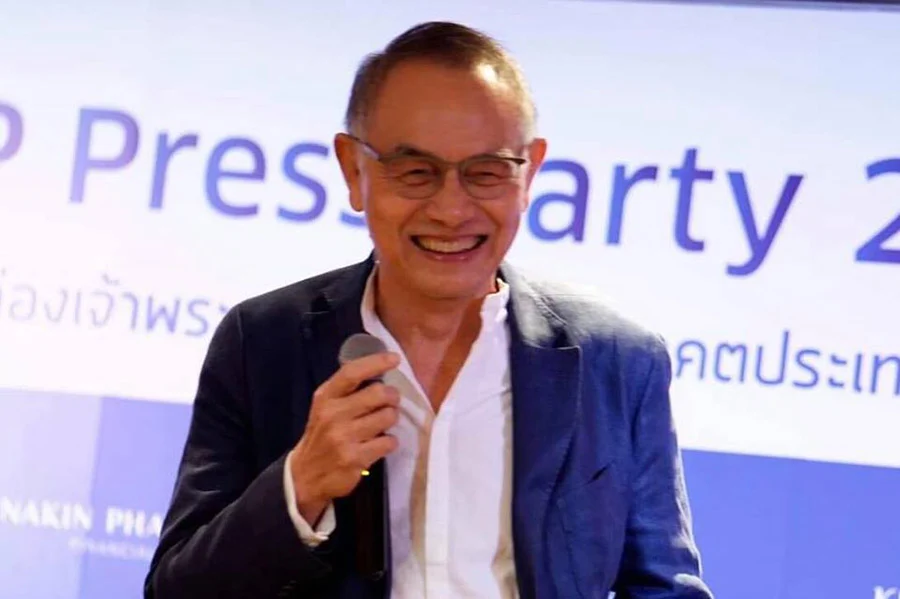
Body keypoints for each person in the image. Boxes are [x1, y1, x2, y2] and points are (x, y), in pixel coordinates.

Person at [145, 20, 713, 599]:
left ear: (530, 172)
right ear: (353, 169)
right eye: (415, 172)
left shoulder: (617, 361)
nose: (451, 209)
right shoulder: (262, 343)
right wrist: (301, 486)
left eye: (486, 172)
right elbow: (176, 591)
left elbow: (664, 588)